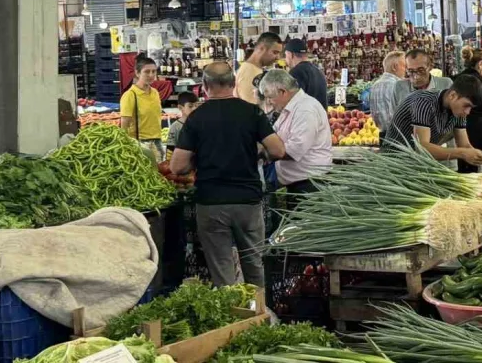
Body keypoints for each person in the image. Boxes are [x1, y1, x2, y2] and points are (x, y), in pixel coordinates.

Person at [170, 62, 286, 288]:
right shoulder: (251, 112)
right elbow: (278, 150)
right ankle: (257, 314)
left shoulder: (196, 118)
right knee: (254, 264)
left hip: (211, 202)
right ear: (234, 84)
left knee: (222, 271)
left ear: (204, 86)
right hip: (248, 202)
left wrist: (200, 158)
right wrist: (258, 152)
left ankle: (233, 319)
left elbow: (177, 167)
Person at [383, 74, 482, 167]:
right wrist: (462, 153)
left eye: (471, 107)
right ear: (452, 95)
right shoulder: (424, 102)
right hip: (394, 163)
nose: (468, 112)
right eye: (466, 105)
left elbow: (465, 145)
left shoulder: (458, 112)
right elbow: (422, 148)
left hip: (417, 163)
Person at [258, 69, 332, 198]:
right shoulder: (289, 109)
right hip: (297, 183)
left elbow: (294, 150)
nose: (269, 102)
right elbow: (275, 135)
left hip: (309, 186)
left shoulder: (305, 110)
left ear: (282, 92)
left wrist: (266, 152)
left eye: (270, 97)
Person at [120, 57, 164, 161]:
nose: (151, 75)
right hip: (140, 142)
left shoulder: (155, 93)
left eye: (154, 71)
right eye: (147, 72)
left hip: (157, 141)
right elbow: (124, 124)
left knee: (158, 173)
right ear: (137, 73)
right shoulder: (130, 95)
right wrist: (125, 145)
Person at [236, 32, 282, 104]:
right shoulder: (250, 72)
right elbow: (250, 107)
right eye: (275, 52)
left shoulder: (253, 69)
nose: (278, 57)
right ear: (261, 48)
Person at [283, 38, 327, 109]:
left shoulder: (296, 72)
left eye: (285, 56)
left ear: (291, 55)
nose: (285, 60)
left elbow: (293, 103)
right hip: (320, 118)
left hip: (306, 118)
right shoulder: (318, 71)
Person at [369, 51, 406, 135]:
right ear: (394, 67)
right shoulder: (398, 86)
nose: (406, 70)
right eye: (404, 66)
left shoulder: (374, 86)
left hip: (382, 135)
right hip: (400, 138)